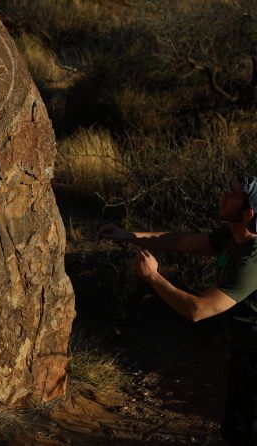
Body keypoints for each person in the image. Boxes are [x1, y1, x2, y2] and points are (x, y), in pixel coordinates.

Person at [97, 174, 257, 445]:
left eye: (233, 195)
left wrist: (154, 278)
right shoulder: (232, 236)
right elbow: (178, 241)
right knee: (234, 430)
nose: (224, 196)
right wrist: (130, 236)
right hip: (242, 352)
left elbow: (198, 309)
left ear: (248, 213)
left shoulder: (251, 261)